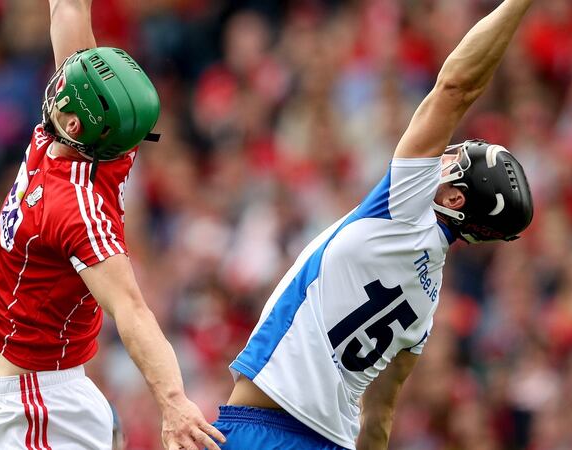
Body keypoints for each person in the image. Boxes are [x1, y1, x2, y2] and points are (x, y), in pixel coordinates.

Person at [214, 1, 535, 449]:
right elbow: (378, 422)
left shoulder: (404, 209)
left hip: (262, 430)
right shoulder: (427, 303)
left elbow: (455, 87)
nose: (443, 155)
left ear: (455, 198)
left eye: (454, 160)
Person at [0, 1, 225, 449]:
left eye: (64, 87)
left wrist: (174, 402)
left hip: (38, 409)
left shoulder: (76, 209)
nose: (57, 82)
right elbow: (68, 11)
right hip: (37, 402)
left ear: (74, 121)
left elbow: (132, 310)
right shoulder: (97, 138)